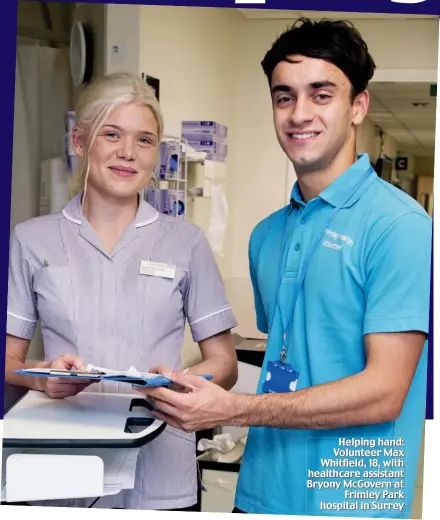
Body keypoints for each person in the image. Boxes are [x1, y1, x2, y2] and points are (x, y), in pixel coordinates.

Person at [137, 18, 432, 518]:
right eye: (284, 97)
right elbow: (291, 359)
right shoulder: (266, 236)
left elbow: (384, 393)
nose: (299, 114)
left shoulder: (400, 226)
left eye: (321, 94)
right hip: (260, 495)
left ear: (358, 105)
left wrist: (235, 409)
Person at [5, 72, 239, 510]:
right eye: (111, 134)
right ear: (79, 141)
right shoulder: (31, 240)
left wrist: (184, 383)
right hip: (62, 470)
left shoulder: (186, 243)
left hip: (163, 467)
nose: (128, 153)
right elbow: (8, 360)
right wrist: (45, 376)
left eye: (145, 140)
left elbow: (223, 363)